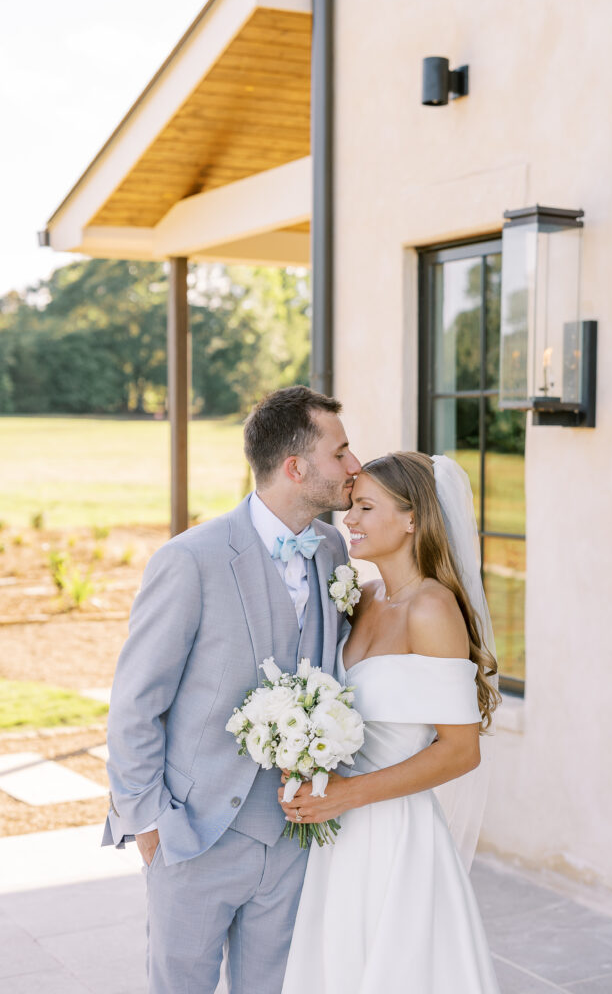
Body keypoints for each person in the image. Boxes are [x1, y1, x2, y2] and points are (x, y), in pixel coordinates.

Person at [103, 386, 361, 994]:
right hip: (194, 835)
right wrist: (152, 828)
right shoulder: (191, 559)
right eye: (342, 452)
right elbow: (136, 703)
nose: (355, 466)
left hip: (294, 836)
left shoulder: (332, 549)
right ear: (296, 468)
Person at [280, 451, 502, 994]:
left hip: (394, 835)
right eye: (351, 506)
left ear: (412, 519)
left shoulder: (432, 609)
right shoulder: (364, 597)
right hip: (337, 832)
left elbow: (459, 750)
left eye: (364, 506)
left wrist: (347, 795)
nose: (348, 519)